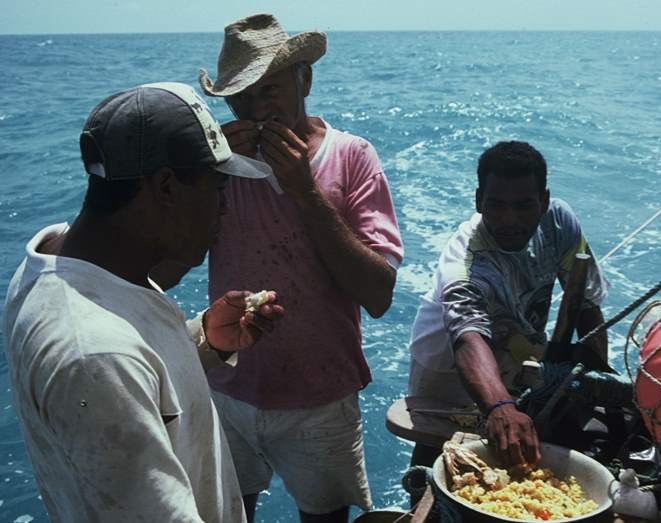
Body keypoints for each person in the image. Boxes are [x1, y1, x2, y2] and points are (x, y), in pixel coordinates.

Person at [3, 82, 285, 523]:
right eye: (216, 187)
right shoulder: (97, 355)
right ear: (167, 186)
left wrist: (204, 340)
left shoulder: (57, 265)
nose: (224, 207)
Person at [196, 14, 404, 523]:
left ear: (304, 79)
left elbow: (378, 294)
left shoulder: (352, 157)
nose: (255, 110)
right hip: (226, 387)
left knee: (325, 516)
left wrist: (306, 192)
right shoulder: (213, 164)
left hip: (320, 394)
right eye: (240, 98)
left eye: (269, 91)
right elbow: (166, 258)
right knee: (224, 513)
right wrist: (203, 174)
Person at [406, 140, 609, 467]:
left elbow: (585, 307)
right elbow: (467, 337)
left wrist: (599, 384)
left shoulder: (560, 221)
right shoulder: (467, 265)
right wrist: (500, 406)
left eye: (524, 205)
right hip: (450, 364)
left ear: (544, 200)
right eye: (496, 205)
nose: (509, 219)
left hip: (515, 348)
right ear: (478, 201)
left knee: (516, 445)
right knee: (440, 454)